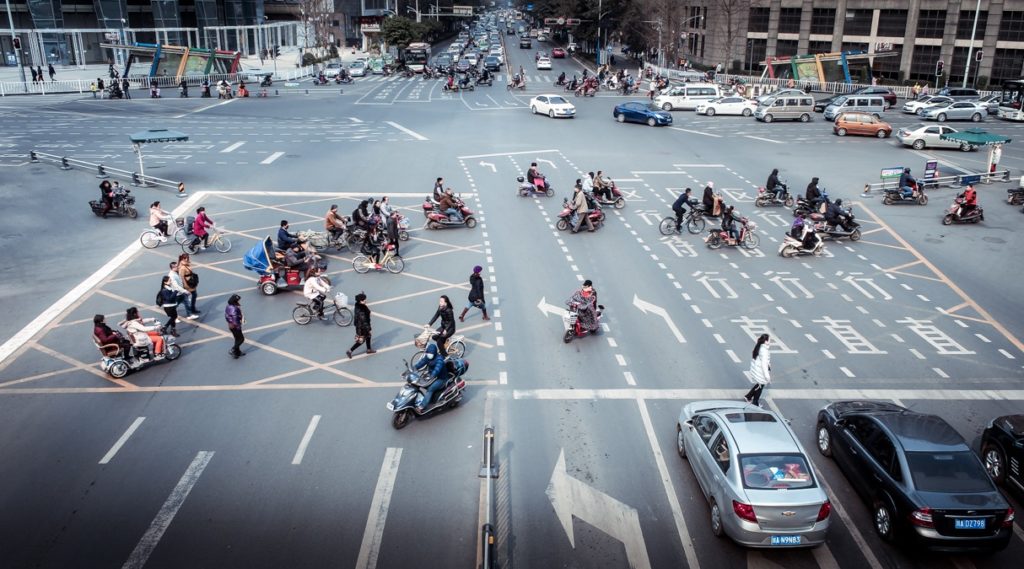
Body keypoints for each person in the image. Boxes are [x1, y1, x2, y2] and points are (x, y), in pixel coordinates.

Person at [413, 342, 448, 412]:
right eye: (428, 353)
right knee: (418, 383)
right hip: (431, 375)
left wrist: (432, 375)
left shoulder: (439, 360)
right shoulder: (428, 357)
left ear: (434, 353)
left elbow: (437, 369)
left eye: (431, 353)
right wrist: (414, 367)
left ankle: (422, 407)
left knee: (430, 389)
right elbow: (422, 362)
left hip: (441, 378)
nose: (429, 355)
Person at [744, 334, 771, 406]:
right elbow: (763, 365)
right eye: (769, 340)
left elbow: (762, 360)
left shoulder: (760, 347)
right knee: (760, 388)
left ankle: (748, 396)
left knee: (759, 386)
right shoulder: (764, 351)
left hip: (758, 370)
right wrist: (767, 377)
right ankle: (755, 402)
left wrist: (768, 363)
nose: (770, 341)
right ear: (765, 341)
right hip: (761, 372)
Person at [346, 292, 376, 357]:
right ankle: (350, 351)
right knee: (361, 341)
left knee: (368, 336)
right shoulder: (362, 310)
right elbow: (364, 321)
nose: (365, 300)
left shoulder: (358, 305)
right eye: (363, 300)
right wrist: (369, 329)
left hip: (359, 326)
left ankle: (368, 349)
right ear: (360, 301)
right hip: (362, 328)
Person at [225, 294, 245, 358]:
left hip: (231, 325)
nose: (239, 301)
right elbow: (235, 318)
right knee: (241, 339)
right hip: (235, 326)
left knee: (237, 339)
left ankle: (237, 352)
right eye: (238, 300)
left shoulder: (229, 306)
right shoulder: (234, 308)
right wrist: (239, 326)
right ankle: (233, 349)